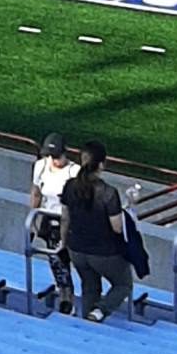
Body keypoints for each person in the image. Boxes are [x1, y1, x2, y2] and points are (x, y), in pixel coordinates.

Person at [60, 140, 133, 323]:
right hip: (103, 252)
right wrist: (130, 207)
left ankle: (87, 319)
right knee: (123, 284)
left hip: (76, 248)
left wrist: (64, 244)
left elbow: (65, 218)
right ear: (101, 164)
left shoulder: (70, 186)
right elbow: (116, 227)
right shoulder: (108, 192)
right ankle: (100, 310)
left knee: (89, 286)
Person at [29, 133, 80, 315]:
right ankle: (65, 295)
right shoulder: (41, 166)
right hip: (49, 217)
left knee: (66, 257)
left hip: (69, 220)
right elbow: (36, 193)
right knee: (55, 259)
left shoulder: (74, 172)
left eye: (58, 156)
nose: (55, 161)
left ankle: (70, 294)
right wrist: (33, 219)